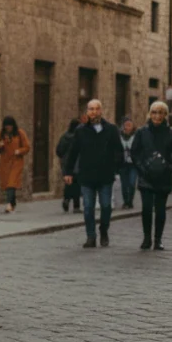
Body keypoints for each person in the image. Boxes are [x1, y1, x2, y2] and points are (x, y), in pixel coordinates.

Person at [62, 99, 122, 248]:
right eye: (91, 109)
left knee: (106, 206)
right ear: (87, 112)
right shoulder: (81, 130)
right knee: (88, 207)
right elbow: (73, 152)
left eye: (96, 109)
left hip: (105, 175)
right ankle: (91, 236)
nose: (94, 112)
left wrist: (115, 167)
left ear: (101, 111)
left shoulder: (111, 129)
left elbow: (118, 150)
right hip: (87, 175)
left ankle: (104, 230)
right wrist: (68, 172)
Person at [132, 102, 172, 250]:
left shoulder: (171, 133)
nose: (157, 116)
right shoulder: (142, 132)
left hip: (163, 176)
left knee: (160, 209)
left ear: (165, 115)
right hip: (146, 176)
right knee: (147, 208)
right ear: (150, 113)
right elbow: (134, 153)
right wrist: (141, 168)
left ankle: (158, 239)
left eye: (160, 113)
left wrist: (170, 168)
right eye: (154, 112)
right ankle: (147, 238)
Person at [0, 116, 29, 213]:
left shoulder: (20, 133)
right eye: (6, 126)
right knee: (8, 184)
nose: (8, 128)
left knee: (11, 183)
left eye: (9, 126)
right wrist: (0, 146)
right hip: (5, 163)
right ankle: (13, 202)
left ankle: (9, 204)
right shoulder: (1, 134)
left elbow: (27, 147)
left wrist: (19, 151)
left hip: (16, 162)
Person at [55, 119, 81, 212]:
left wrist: (63, 158)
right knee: (77, 184)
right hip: (77, 164)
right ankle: (76, 206)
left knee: (69, 183)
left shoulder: (64, 137)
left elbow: (58, 151)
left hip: (66, 164)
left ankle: (66, 199)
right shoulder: (79, 138)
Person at [118, 116, 138, 209]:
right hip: (123, 163)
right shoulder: (119, 136)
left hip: (133, 164)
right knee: (124, 184)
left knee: (132, 183)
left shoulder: (136, 136)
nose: (128, 126)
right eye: (126, 125)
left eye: (130, 125)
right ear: (123, 126)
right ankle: (126, 201)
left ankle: (130, 201)